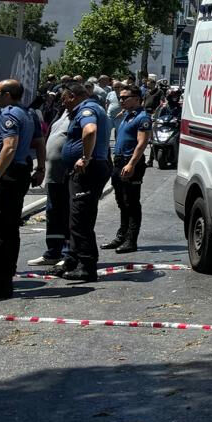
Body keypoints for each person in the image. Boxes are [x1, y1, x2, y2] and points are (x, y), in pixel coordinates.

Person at [51, 82, 111, 282]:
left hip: (88, 171)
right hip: (84, 171)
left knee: (80, 219)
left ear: (73, 96)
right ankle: (73, 259)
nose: (62, 102)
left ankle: (86, 265)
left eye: (64, 98)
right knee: (76, 218)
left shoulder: (87, 110)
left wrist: (85, 158)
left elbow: (90, 131)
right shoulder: (89, 108)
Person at [0, 80, 37, 300]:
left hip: (8, 175)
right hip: (19, 172)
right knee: (9, 228)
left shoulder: (8, 114)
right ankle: (5, 277)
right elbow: (38, 141)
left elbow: (9, 146)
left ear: (8, 95)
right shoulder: (27, 113)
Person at [104, 86, 150, 255]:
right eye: (120, 97)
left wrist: (131, 164)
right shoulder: (126, 115)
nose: (121, 100)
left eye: (125, 97)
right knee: (121, 201)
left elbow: (142, 143)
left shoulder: (142, 118)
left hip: (130, 162)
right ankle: (121, 235)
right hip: (118, 161)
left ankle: (131, 240)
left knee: (131, 202)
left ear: (137, 99)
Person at [27, 102, 71, 267]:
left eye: (66, 96)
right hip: (53, 175)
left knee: (66, 213)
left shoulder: (82, 114)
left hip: (66, 175)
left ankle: (67, 254)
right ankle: (52, 253)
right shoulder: (62, 113)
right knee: (53, 214)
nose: (63, 99)